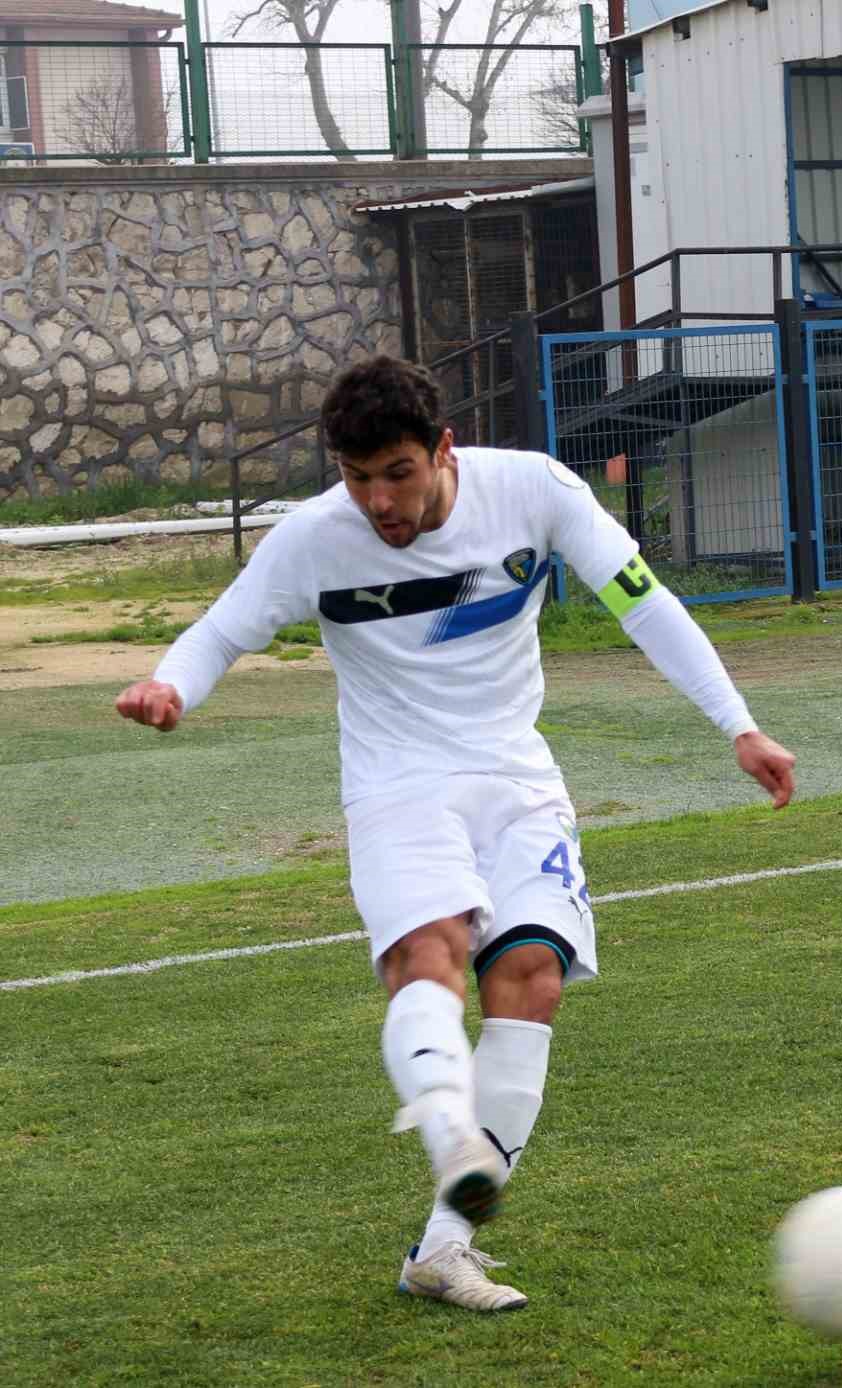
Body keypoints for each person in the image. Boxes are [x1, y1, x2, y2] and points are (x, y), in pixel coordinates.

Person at [114, 357, 798, 1307]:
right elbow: (224, 628)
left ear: (442, 449)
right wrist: (170, 684)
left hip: (517, 779)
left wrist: (740, 725)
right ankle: (446, 1134)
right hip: (399, 787)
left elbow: (642, 602)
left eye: (396, 472)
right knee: (429, 957)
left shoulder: (533, 490)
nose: (378, 501)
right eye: (356, 479)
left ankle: (442, 1250)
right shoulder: (317, 539)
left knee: (532, 979)